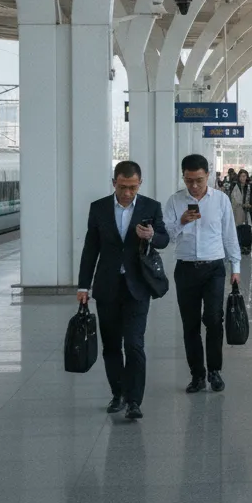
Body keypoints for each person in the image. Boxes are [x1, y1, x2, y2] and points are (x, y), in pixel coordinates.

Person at [77, 160, 170, 421]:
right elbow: (90, 249)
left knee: (134, 345)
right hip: (107, 287)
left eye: (132, 187)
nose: (127, 193)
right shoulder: (99, 208)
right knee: (111, 347)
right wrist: (84, 285)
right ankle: (117, 394)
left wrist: (151, 235)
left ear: (140, 184)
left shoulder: (151, 207)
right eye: (122, 187)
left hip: (137, 288)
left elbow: (163, 238)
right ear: (114, 183)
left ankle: (134, 401)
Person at [163, 155, 241, 394]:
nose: (194, 186)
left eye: (198, 180)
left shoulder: (220, 200)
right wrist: (182, 222)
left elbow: (229, 234)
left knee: (214, 319)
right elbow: (167, 237)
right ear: (183, 177)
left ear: (208, 175)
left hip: (214, 268)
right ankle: (197, 375)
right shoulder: (175, 201)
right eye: (188, 180)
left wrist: (235, 268)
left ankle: (214, 370)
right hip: (186, 268)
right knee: (190, 324)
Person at [229, 169, 252, 254]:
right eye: (242, 176)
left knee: (247, 227)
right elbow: (235, 199)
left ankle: (247, 246)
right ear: (239, 177)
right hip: (238, 209)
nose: (243, 178)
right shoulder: (236, 186)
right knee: (238, 227)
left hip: (247, 210)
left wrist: (249, 204)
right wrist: (244, 204)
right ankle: (240, 246)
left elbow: (250, 197)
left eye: (245, 176)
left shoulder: (248, 186)